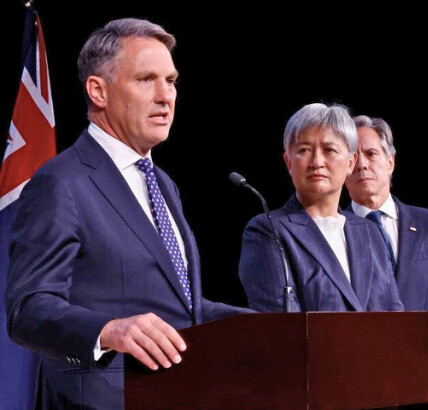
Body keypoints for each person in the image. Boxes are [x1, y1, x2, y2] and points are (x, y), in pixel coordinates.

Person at [4, 18, 251, 409]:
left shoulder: (163, 184)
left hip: (180, 395)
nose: (165, 95)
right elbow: (28, 309)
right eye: (146, 80)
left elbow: (182, 307)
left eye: (171, 81)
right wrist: (107, 330)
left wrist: (266, 325)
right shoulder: (61, 183)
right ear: (98, 91)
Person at [238, 103, 404, 312]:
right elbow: (279, 327)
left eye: (330, 150)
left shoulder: (371, 233)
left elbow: (395, 317)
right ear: (289, 162)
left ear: (351, 163)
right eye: (304, 150)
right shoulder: (268, 231)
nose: (317, 162)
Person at [344, 115, 428, 311]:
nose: (362, 164)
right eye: (354, 157)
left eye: (371, 154)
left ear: (390, 162)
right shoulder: (335, 230)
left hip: (424, 341)